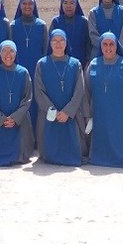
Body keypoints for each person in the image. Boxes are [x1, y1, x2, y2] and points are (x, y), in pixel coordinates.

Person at [84, 31, 123, 167]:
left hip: (122, 114)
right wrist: (87, 115)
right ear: (100, 46)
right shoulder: (93, 65)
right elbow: (86, 91)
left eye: (111, 44)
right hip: (99, 114)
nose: (108, 47)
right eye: (105, 44)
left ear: (117, 46)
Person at [33, 29, 85, 165]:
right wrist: (53, 111)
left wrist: (67, 111)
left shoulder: (75, 64)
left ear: (66, 43)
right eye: (55, 41)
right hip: (49, 114)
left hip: (69, 115)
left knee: (72, 149)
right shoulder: (42, 64)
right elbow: (39, 90)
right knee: (49, 152)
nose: (58, 44)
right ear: (50, 43)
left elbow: (80, 90)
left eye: (61, 40)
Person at [0, 40, 34, 166]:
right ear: (0, 54)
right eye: (4, 51)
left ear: (16, 53)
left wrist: (15, 118)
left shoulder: (23, 72)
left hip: (19, 121)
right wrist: (1, 118)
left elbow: (27, 98)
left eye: (11, 50)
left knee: (20, 155)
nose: (8, 54)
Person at [10, 0, 48, 133]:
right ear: (20, 6)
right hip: (18, 70)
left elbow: (45, 49)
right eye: (24, 4)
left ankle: (37, 136)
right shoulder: (13, 25)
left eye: (30, 4)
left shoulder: (41, 25)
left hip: (36, 68)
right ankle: (22, 136)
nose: (27, 6)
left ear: (34, 6)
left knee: (36, 102)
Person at [49, 0, 91, 66]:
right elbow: (50, 43)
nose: (68, 6)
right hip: (59, 63)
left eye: (72, 3)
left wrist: (88, 62)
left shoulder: (84, 21)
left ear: (76, 5)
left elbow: (89, 44)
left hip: (81, 63)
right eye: (65, 3)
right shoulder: (56, 21)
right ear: (62, 5)